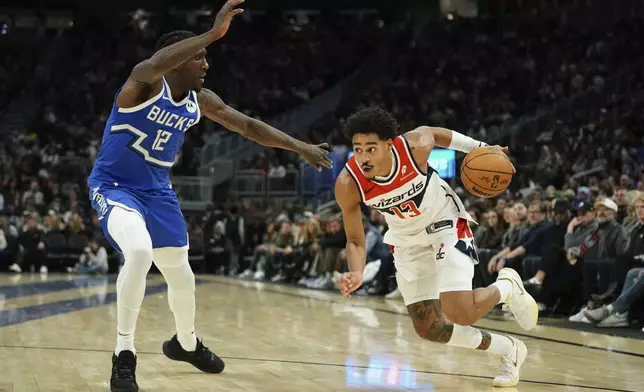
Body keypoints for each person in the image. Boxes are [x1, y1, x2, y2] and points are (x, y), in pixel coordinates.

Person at [86, 2, 332, 391]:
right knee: (137, 253)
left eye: (205, 57)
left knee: (181, 275)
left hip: (158, 192)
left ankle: (185, 343)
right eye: (198, 57)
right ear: (177, 60)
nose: (205, 64)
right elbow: (154, 63)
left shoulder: (200, 101)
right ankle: (124, 354)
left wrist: (300, 146)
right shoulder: (145, 83)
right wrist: (213, 33)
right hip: (115, 186)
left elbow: (249, 126)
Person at [334, 106, 538, 388]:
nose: (364, 157)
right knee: (430, 328)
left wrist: (481, 148)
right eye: (358, 149)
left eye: (371, 148)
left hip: (445, 223)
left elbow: (439, 134)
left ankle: (507, 287)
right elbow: (355, 240)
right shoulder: (348, 183)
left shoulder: (413, 147)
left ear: (389, 144)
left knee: (459, 312)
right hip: (406, 241)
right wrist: (356, 272)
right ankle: (509, 349)